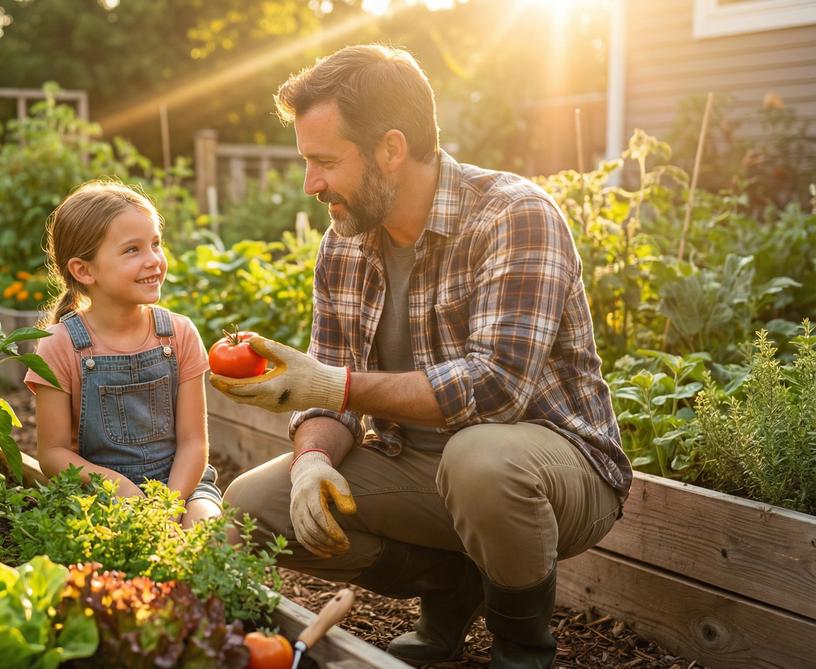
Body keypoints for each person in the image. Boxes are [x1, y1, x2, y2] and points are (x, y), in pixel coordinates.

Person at [211, 45, 631, 668]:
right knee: (253, 508)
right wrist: (313, 460)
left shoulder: (515, 215)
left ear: (390, 149)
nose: (311, 184)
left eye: (325, 161)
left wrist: (333, 386)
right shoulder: (345, 244)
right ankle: (450, 587)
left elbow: (496, 390)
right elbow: (333, 389)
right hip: (421, 471)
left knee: (479, 459)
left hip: (552, 469)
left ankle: (521, 649)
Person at [23, 180, 222, 528]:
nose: (154, 261)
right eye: (133, 250)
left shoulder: (179, 334)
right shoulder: (58, 345)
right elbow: (52, 454)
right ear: (84, 270)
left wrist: (169, 505)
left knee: (214, 534)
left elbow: (193, 443)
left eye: (156, 245)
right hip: (99, 492)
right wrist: (118, 488)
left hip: (182, 485)